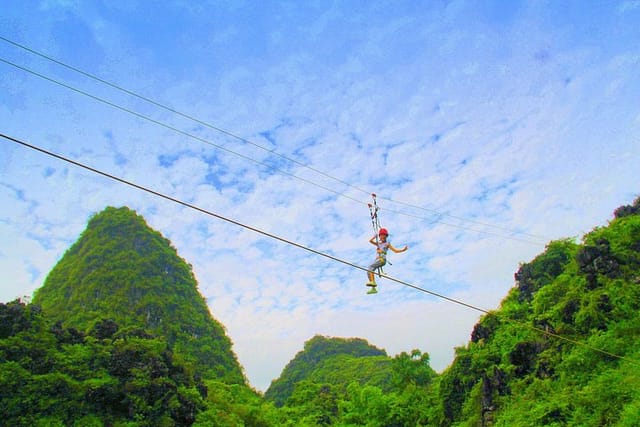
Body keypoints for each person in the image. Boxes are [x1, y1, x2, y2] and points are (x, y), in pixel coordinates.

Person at [366, 228, 408, 294]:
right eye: (381, 235)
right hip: (377, 260)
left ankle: (373, 282)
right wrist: (375, 237)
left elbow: (395, 251)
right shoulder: (378, 244)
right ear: (379, 236)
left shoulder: (387, 244)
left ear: (386, 236)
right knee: (369, 271)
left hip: (382, 260)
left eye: (384, 235)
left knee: (370, 266)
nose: (382, 237)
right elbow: (370, 241)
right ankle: (373, 288)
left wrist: (403, 250)